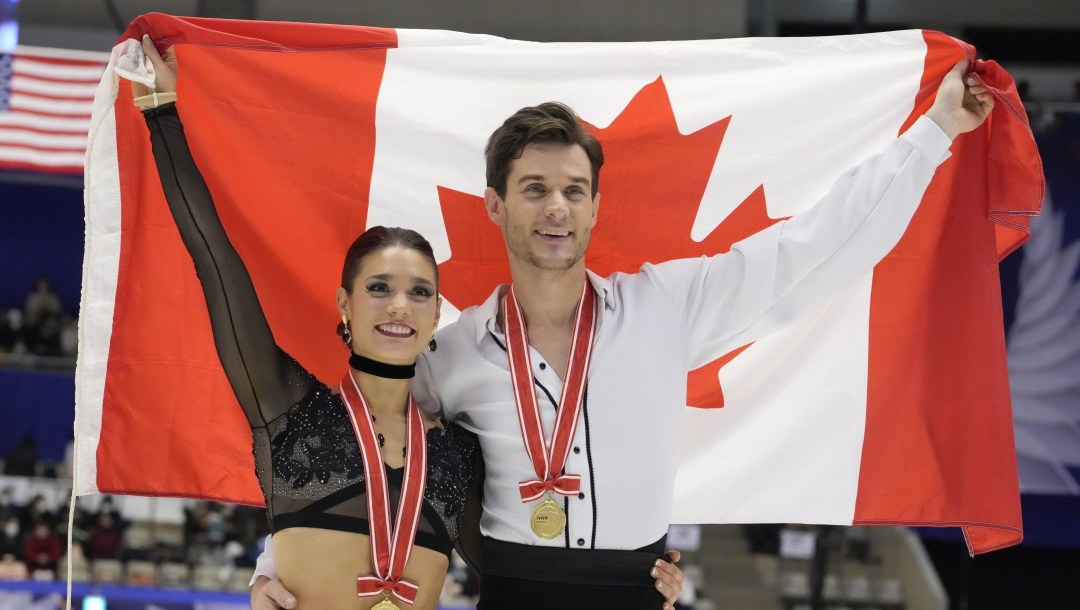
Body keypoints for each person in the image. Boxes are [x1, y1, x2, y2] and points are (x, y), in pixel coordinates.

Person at [251, 52, 994, 608]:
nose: (556, 210)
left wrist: (934, 133)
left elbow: (815, 248)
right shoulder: (453, 353)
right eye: (534, 189)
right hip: (514, 594)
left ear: (597, 208)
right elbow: (358, 457)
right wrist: (269, 567)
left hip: (638, 592)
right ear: (494, 206)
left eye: (574, 191)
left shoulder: (665, 308)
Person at [134, 36, 682, 610]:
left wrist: (640, 575)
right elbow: (217, 264)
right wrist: (161, 113)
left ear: (435, 315)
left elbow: (524, 562)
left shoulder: (455, 450)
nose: (400, 306)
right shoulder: (289, 411)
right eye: (379, 288)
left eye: (420, 292)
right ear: (344, 304)